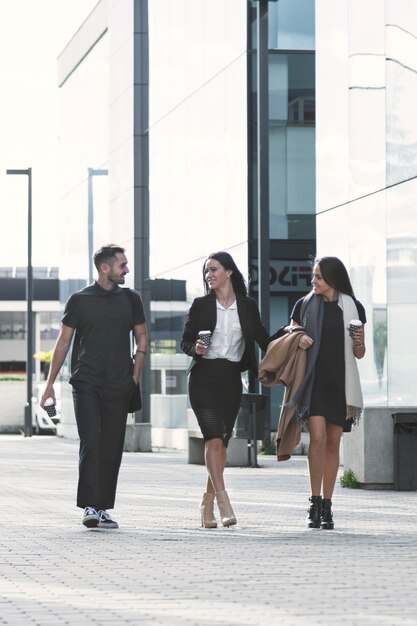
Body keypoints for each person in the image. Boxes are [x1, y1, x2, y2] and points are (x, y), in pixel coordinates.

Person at [40, 244, 147, 529]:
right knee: (91, 440)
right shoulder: (79, 299)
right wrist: (49, 385)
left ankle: (102, 507)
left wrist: (134, 377)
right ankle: (88, 505)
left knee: (112, 446)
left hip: (119, 385)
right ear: (105, 268)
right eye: (122, 265)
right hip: (86, 382)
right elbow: (63, 343)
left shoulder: (131, 299)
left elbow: (142, 338)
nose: (126, 270)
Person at [181, 251, 280, 528]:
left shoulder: (247, 306)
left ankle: (206, 506)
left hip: (230, 380)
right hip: (203, 377)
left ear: (229, 272)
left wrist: (290, 332)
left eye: (213, 269)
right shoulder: (201, 305)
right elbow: (185, 341)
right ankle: (224, 503)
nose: (209, 275)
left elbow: (263, 338)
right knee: (212, 439)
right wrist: (196, 348)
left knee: (221, 445)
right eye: (206, 272)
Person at [286, 256, 366, 530]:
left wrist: (359, 342)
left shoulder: (353, 307)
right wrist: (299, 336)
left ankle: (328, 506)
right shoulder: (304, 304)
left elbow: (360, 354)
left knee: (333, 442)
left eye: (318, 276)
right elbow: (290, 333)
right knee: (317, 438)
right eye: (314, 276)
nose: (314, 281)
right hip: (314, 381)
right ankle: (314, 500)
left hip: (340, 383)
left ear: (332, 278)